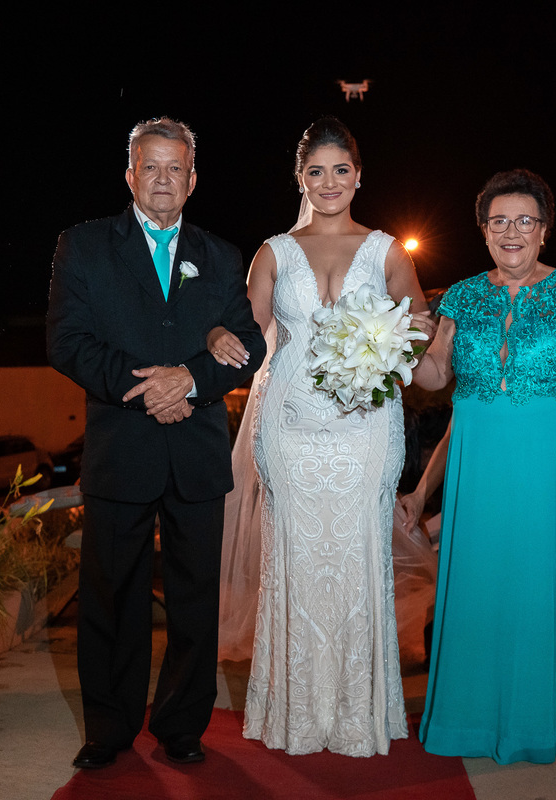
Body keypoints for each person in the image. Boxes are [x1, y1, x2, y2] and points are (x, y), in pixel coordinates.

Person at [209, 117, 435, 757]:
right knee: (297, 556)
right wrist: (214, 337)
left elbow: (419, 321)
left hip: (367, 428)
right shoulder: (273, 252)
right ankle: (296, 713)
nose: (329, 182)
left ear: (359, 177)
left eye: (341, 170)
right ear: (300, 179)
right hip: (289, 427)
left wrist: (390, 346)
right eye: (316, 171)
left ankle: (358, 713)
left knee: (360, 554)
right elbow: (250, 335)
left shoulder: (387, 251)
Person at [46, 117, 266, 769]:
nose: (163, 179)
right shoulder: (83, 246)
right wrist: (149, 389)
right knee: (112, 596)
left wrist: (191, 380)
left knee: (196, 601)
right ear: (130, 175)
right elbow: (66, 342)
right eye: (151, 167)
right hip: (122, 449)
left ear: (193, 180)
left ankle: (181, 725)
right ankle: (108, 729)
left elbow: (249, 344)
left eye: (176, 168)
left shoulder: (221, 255)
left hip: (197, 453)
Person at [412, 168, 556, 763]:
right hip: (479, 470)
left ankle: (540, 720)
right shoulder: (460, 297)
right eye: (498, 221)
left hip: (550, 468)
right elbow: (435, 376)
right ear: (482, 231)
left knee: (539, 587)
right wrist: (396, 345)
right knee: (479, 586)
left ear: (544, 230)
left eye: (524, 221)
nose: (511, 232)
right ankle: (472, 720)